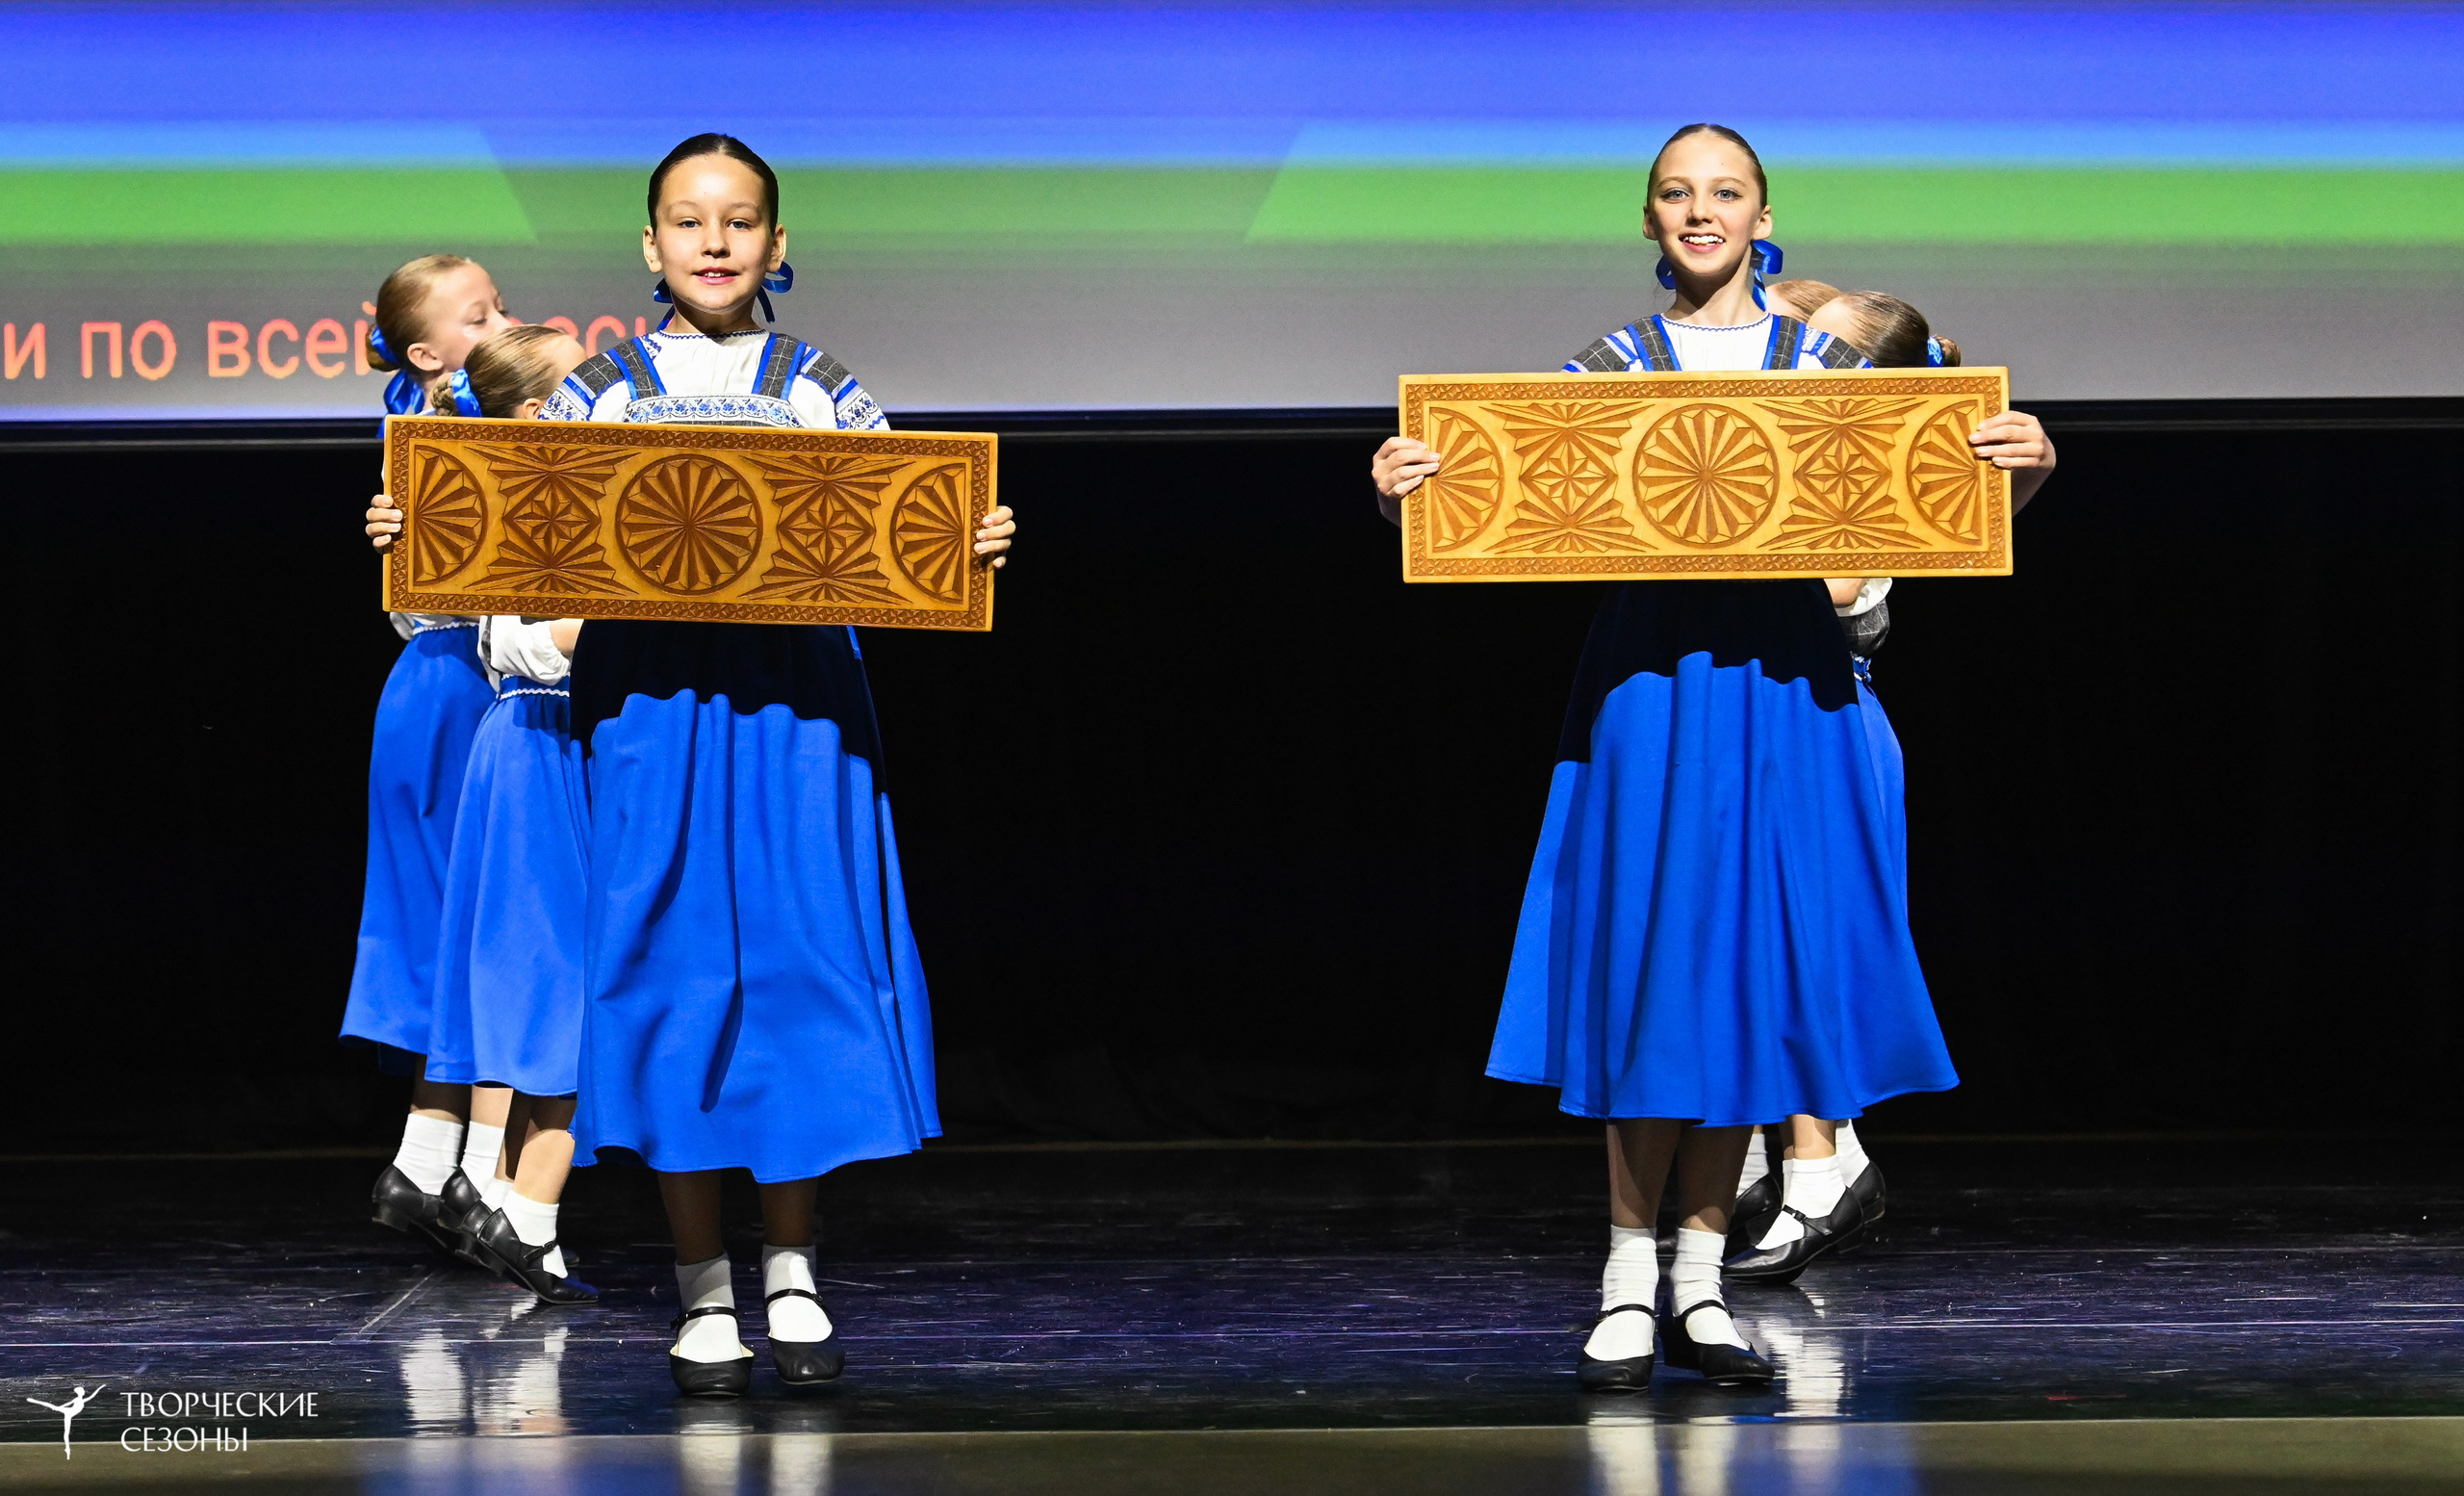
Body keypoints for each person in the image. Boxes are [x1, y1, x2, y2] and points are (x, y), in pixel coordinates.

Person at [1373, 123, 1960, 1394]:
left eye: (1726, 192)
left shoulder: (1827, 367)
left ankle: (1700, 1287)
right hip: (1651, 690)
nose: (1701, 211)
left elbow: (1922, 519)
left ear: (1763, 216)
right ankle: (1626, 1279)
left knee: (1747, 972)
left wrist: (2024, 472)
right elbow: (1491, 506)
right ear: (1649, 221)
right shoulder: (1608, 369)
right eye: (1677, 194)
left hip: (1784, 688)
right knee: (1652, 967)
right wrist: (1402, 488)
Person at [536, 134, 1015, 1396]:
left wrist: (971, 537)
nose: (712, 240)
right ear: (649, 247)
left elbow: (904, 539)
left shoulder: (826, 390)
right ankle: (701, 1285)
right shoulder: (599, 390)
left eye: (738, 220)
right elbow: (524, 541)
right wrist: (412, 524)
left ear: (777, 244)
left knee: (797, 970)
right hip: (650, 713)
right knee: (669, 975)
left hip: (798, 718)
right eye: (686, 222)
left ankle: (792, 1267)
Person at [1725, 291, 2058, 1282]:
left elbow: (1830, 587)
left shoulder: (1862, 470)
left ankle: (1824, 1160)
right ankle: (1757, 1149)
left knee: (1801, 943)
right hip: (1747, 712)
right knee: (1743, 934)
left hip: (1820, 715)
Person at [384, 324, 603, 1304]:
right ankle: (518, 1202)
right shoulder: (539, 506)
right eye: (586, 387)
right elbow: (543, 646)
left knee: (542, 965)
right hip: (541, 741)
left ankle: (506, 1191)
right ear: (536, 416)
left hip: (540, 745)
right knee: (556, 971)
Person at [345, 255, 517, 1258]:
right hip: (465, 687)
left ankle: (426, 1154)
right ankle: (475, 1170)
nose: (506, 319)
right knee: (490, 922)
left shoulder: (419, 408)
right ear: (425, 353)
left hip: (430, 687)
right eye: (481, 313)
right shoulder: (454, 422)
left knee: (454, 920)